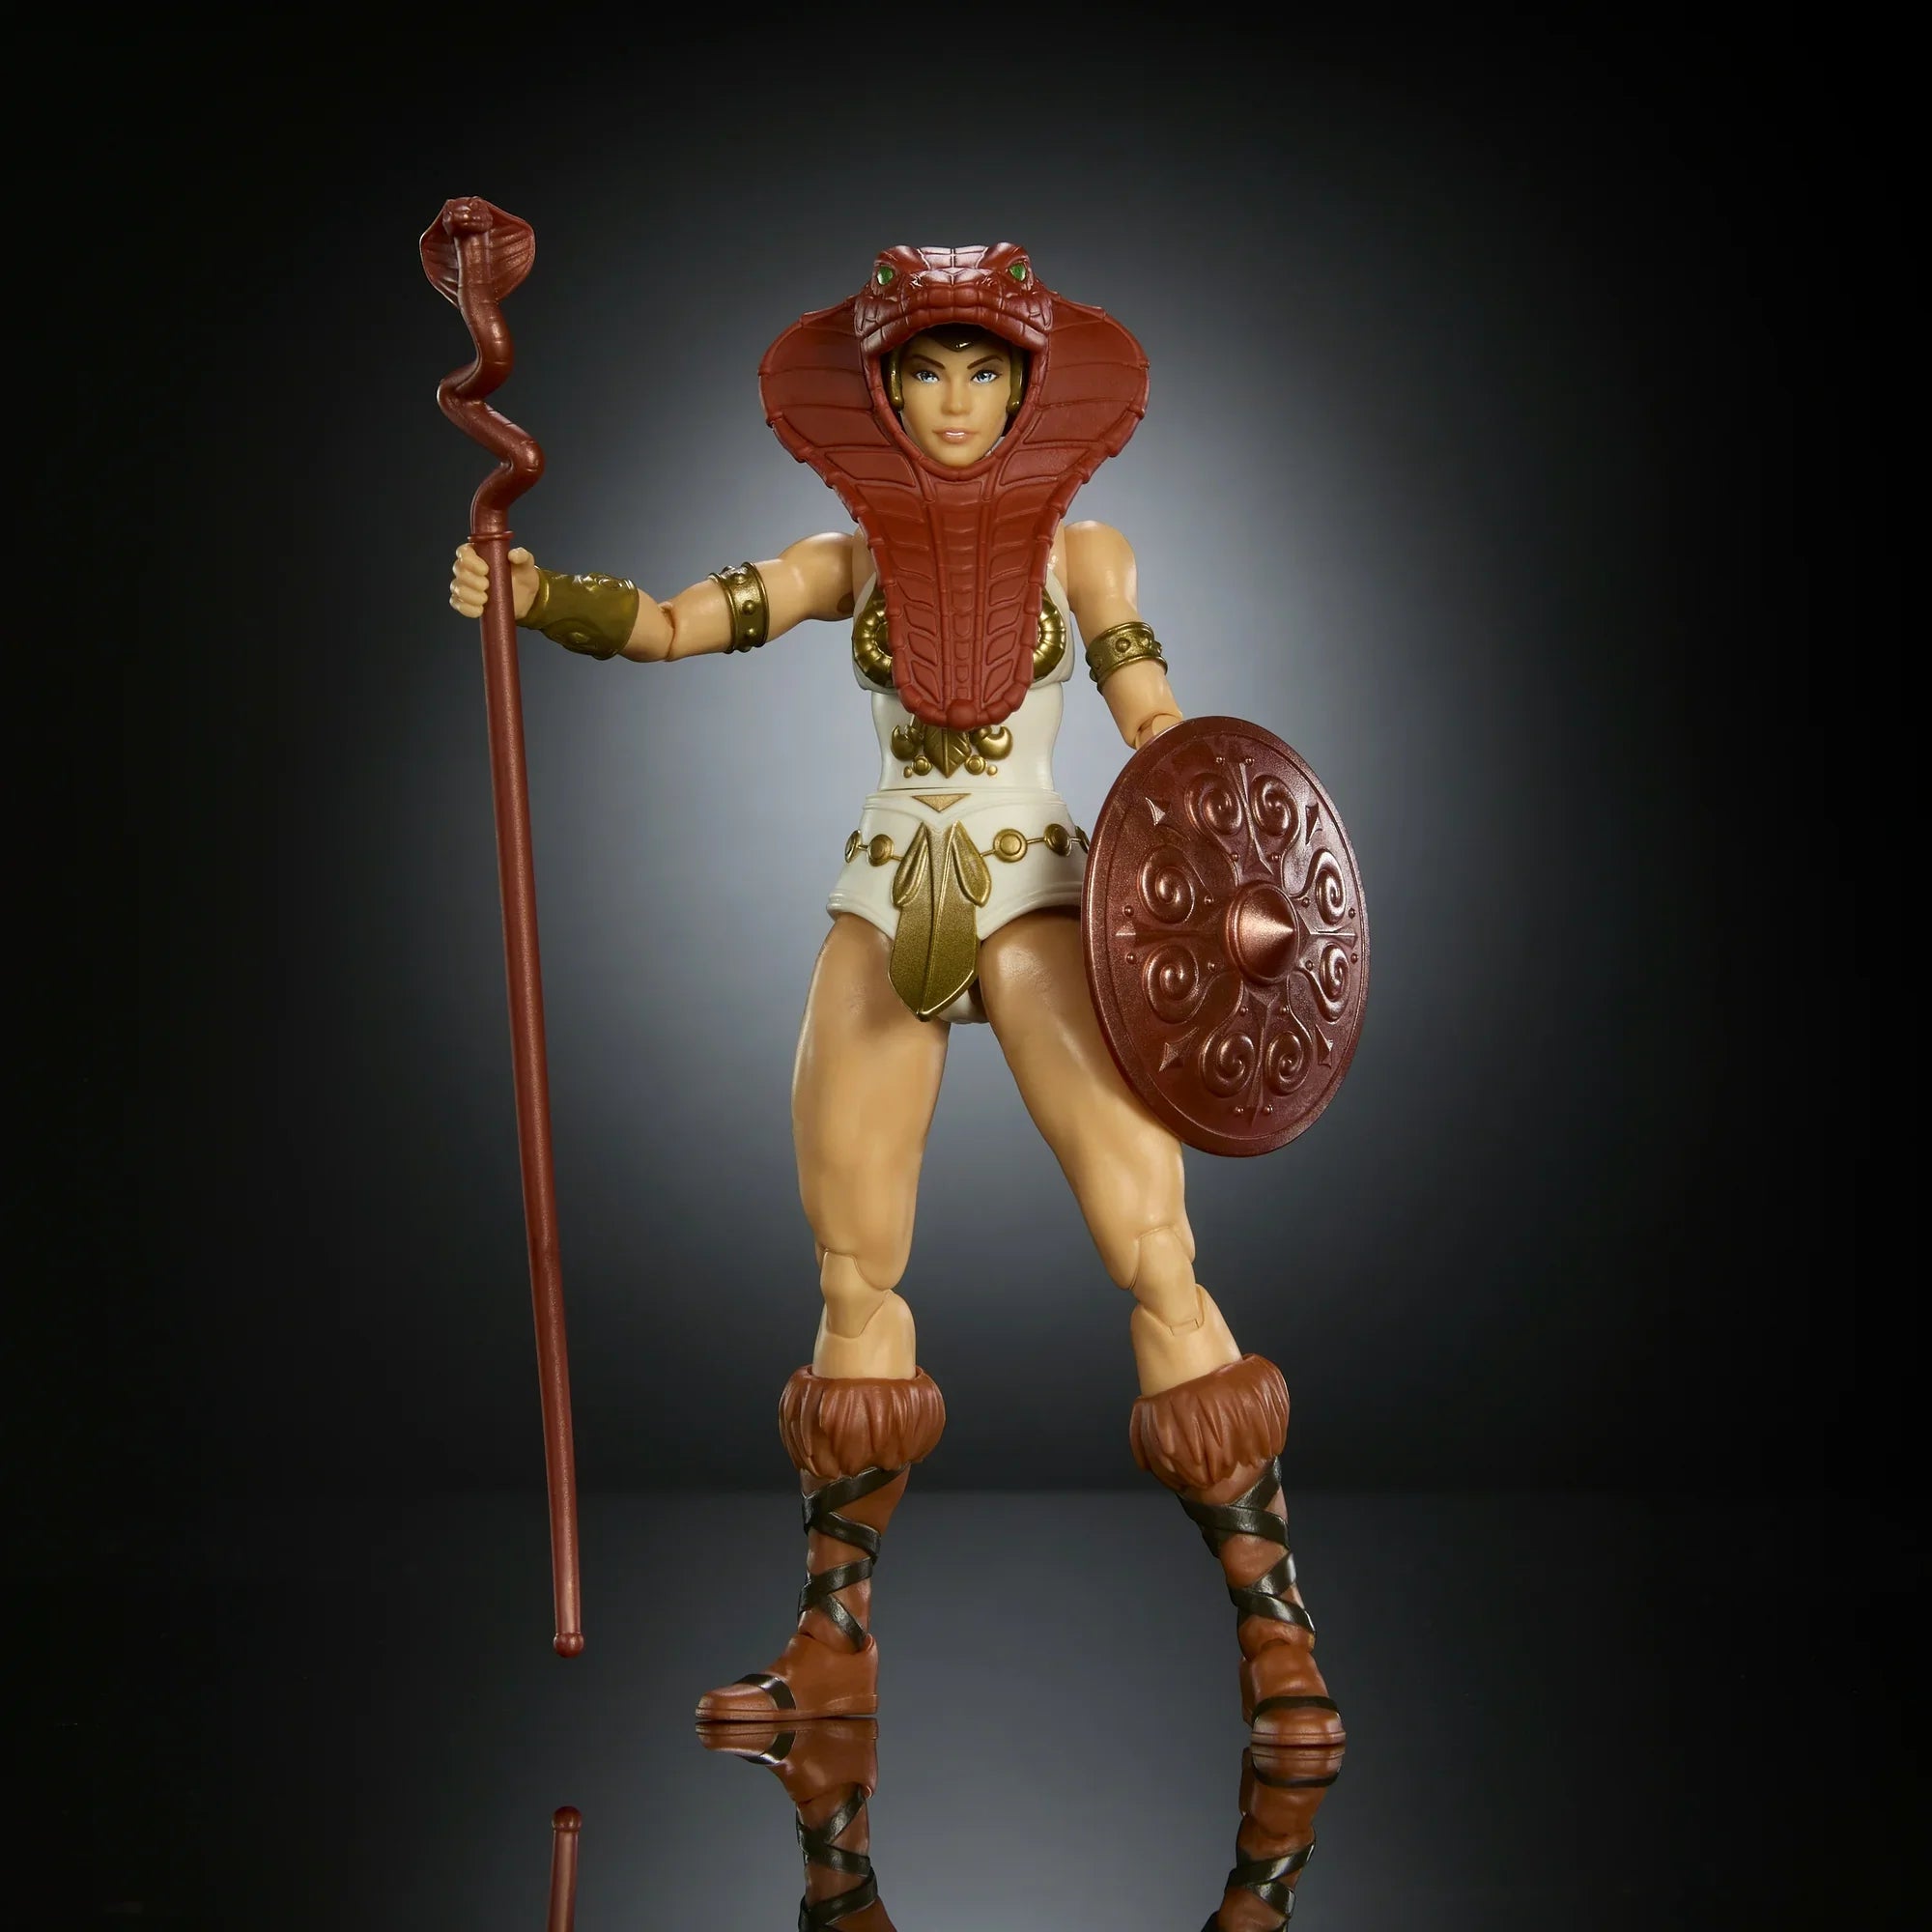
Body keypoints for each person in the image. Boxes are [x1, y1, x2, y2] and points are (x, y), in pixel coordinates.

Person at [447, 245, 1343, 1747]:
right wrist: (539, 598)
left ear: (1028, 390)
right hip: (888, 892)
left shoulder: (1088, 553)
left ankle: (1278, 1637)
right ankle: (832, 1649)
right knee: (853, 1270)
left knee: (1152, 1242)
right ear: (882, 392)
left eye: (983, 370)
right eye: (926, 372)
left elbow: (1154, 715)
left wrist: (1207, 831)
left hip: (1042, 893)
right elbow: (672, 622)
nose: (955, 400)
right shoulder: (846, 558)